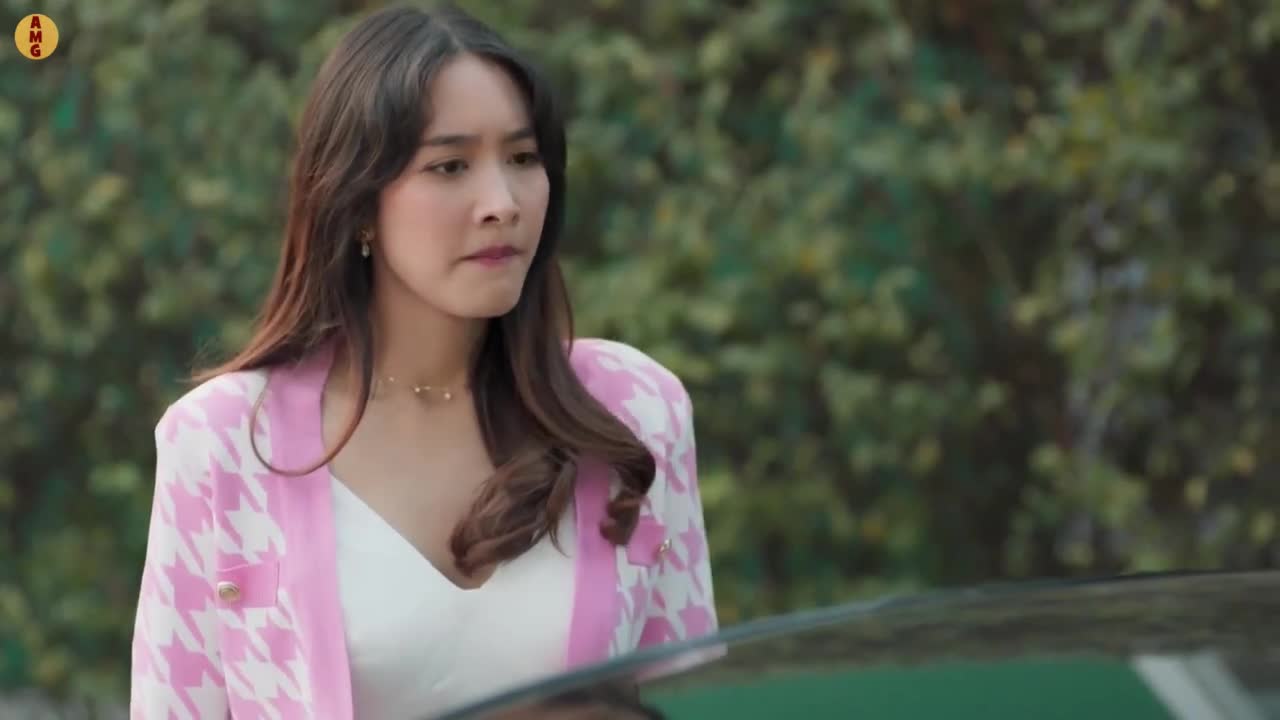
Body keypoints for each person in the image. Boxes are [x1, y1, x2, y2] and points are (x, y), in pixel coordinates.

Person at [128, 5, 717, 719]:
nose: (502, 203)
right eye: (450, 165)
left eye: (523, 158)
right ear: (357, 202)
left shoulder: (634, 410)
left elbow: (689, 703)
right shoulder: (224, 441)